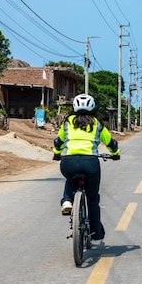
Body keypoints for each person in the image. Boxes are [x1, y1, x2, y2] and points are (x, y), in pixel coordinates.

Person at [53, 94, 120, 245]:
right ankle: (96, 232)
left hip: (68, 161)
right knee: (92, 199)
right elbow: (110, 142)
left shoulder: (67, 122)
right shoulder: (97, 123)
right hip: (90, 162)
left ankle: (67, 201)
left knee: (70, 179)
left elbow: (58, 142)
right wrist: (115, 154)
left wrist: (57, 154)